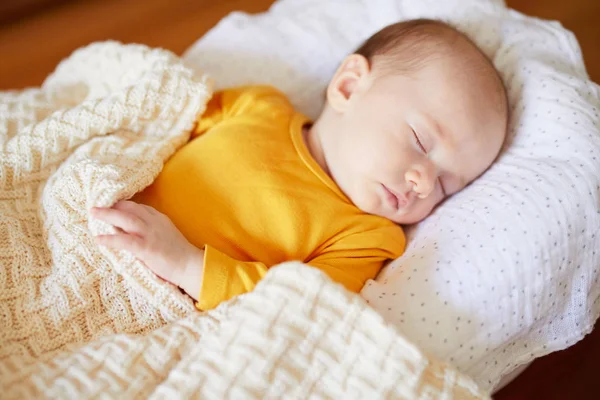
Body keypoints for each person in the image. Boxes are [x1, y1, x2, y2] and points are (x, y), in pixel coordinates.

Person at [91, 19, 508, 311]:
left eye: (446, 186)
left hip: (152, 297)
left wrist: (185, 264)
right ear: (348, 87)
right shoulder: (258, 106)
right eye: (420, 141)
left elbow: (290, 305)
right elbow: (161, 121)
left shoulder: (366, 238)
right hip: (97, 219)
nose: (423, 182)